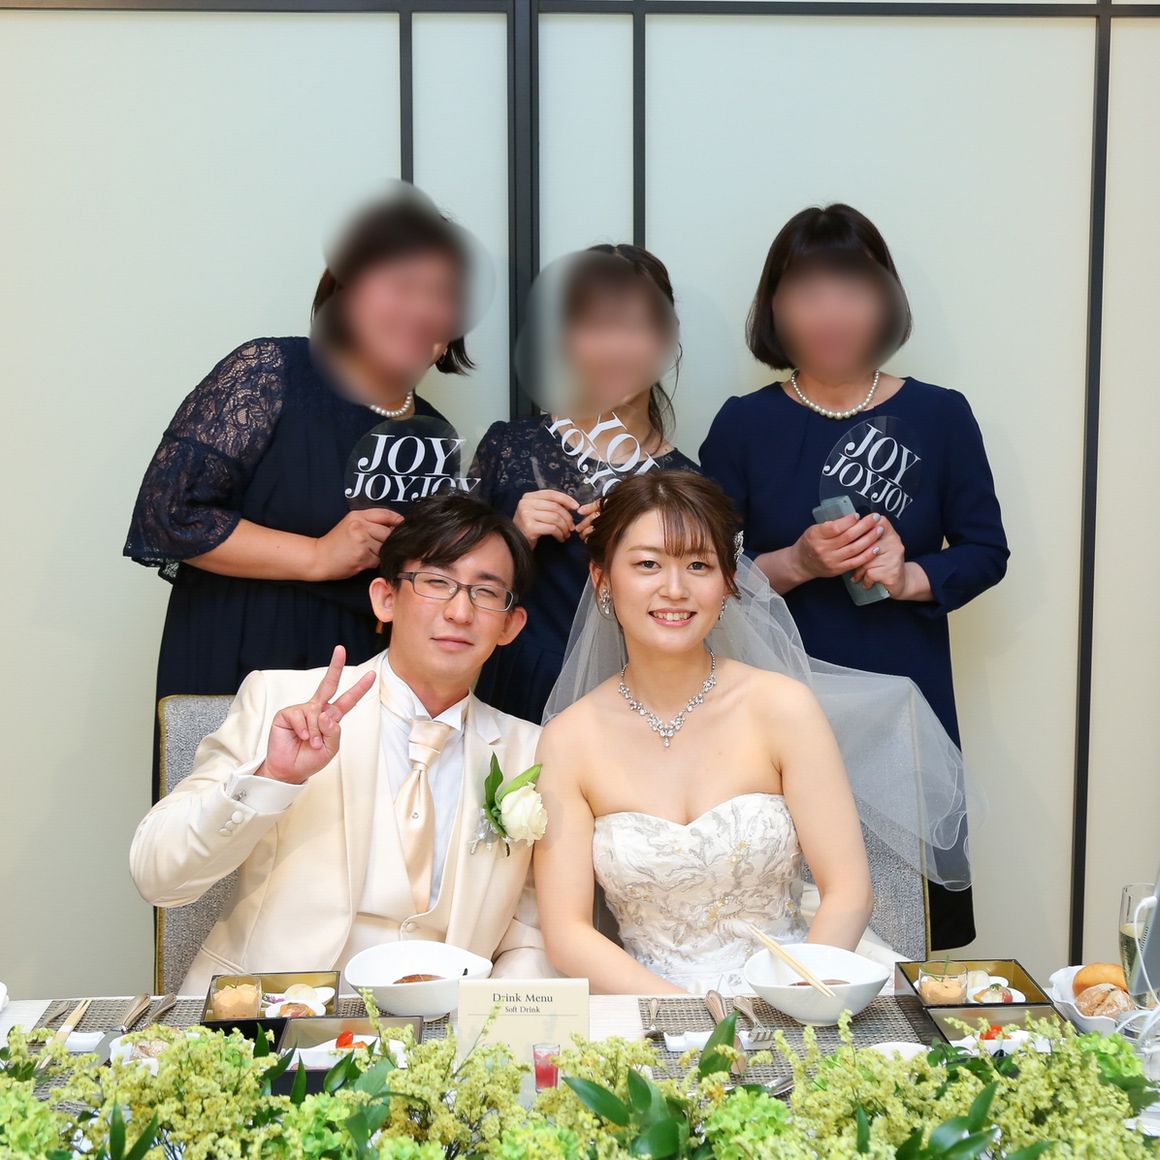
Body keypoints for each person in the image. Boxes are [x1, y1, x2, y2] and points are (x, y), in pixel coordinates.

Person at [534, 470, 976, 996]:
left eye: (699, 565)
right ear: (602, 578)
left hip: (799, 991)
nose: (674, 589)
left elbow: (848, 891)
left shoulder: (783, 708)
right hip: (646, 1005)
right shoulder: (568, 740)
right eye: (648, 564)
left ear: (728, 582)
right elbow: (568, 934)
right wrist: (696, 1019)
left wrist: (790, 1001)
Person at [699, 204, 1007, 950]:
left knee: (898, 935)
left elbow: (985, 550)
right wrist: (796, 563)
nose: (830, 312)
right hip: (774, 710)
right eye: (807, 292)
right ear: (775, 308)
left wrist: (908, 574)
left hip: (904, 711)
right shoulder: (742, 424)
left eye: (852, 290)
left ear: (885, 302)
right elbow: (700, 576)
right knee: (778, 927)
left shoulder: (940, 416)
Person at [125, 189, 479, 795]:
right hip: (241, 655)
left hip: (363, 683)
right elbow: (168, 515)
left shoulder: (435, 435)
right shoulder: (270, 372)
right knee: (221, 834)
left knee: (342, 848)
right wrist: (318, 555)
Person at [129, 493, 550, 994]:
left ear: (510, 625)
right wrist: (272, 778)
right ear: (385, 598)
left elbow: (530, 937)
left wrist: (491, 1023)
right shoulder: (278, 699)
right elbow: (157, 877)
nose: (460, 611)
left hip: (445, 1027)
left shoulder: (531, 752)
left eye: (486, 592)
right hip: (271, 1019)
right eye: (437, 582)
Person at [471, 244, 697, 723]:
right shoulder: (510, 447)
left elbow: (704, 611)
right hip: (515, 686)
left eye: (635, 327)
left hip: (637, 700)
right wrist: (514, 538)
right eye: (596, 327)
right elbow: (447, 579)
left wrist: (635, 549)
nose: (616, 348)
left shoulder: (688, 484)